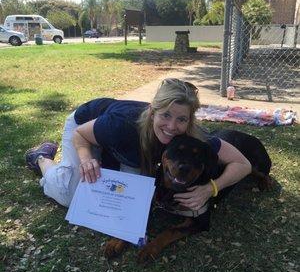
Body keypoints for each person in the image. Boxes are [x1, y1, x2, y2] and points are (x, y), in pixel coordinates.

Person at [25, 78, 252, 210]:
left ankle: (109, 158)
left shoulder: (192, 137)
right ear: (153, 112)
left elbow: (243, 164)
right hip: (85, 127)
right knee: (70, 195)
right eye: (166, 115)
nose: (172, 126)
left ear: (189, 120)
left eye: (181, 119)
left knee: (135, 197)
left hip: (121, 145)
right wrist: (86, 160)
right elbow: (80, 135)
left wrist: (210, 189)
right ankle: (41, 158)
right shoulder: (121, 126)